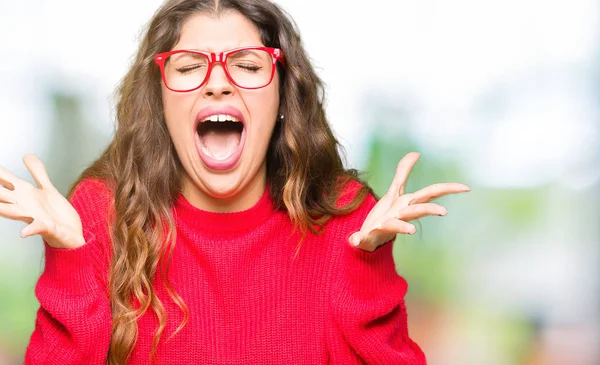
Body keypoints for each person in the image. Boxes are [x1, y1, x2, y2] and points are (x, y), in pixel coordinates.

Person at [0, 0, 470, 364]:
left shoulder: (343, 218)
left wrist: (366, 268)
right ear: (161, 103)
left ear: (283, 92)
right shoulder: (102, 214)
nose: (219, 83)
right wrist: (71, 263)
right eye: (188, 67)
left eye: (247, 65)